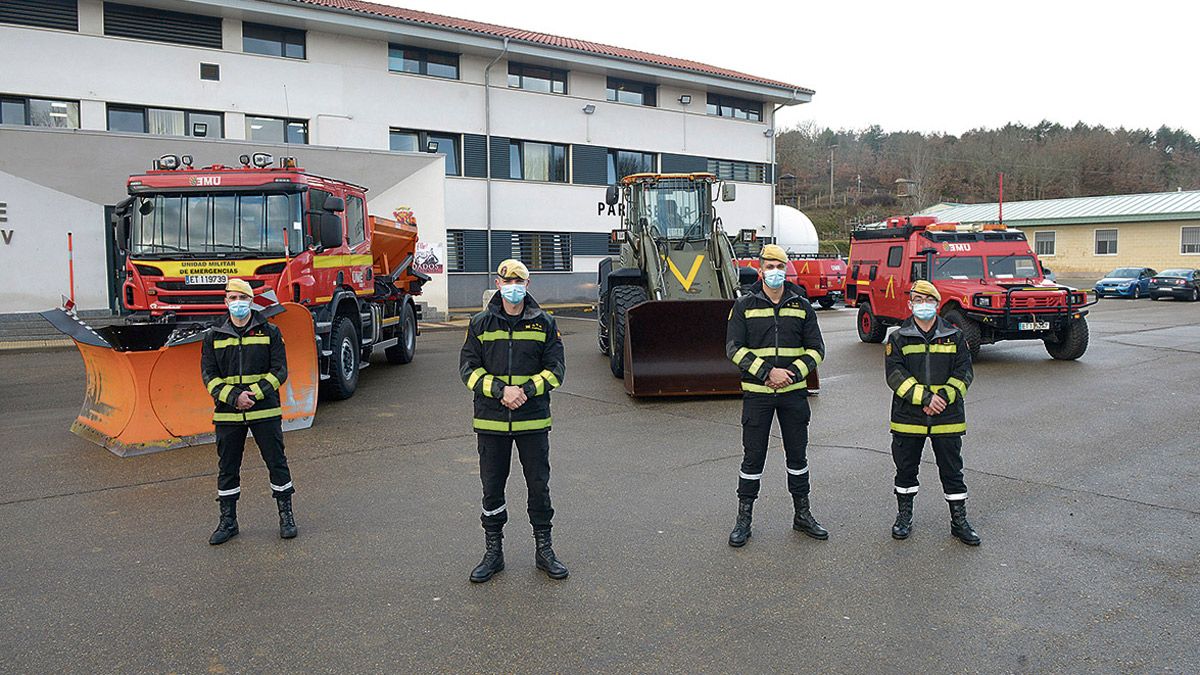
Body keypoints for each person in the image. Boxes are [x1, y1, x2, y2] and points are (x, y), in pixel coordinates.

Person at [460, 259, 568, 582]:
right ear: (498, 283)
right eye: (508, 281)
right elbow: (468, 369)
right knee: (492, 489)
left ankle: (544, 549)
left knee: (539, 487)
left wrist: (524, 390)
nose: (514, 287)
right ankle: (494, 552)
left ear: (528, 285)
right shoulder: (479, 324)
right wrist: (500, 391)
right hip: (492, 423)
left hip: (532, 422)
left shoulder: (545, 323)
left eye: (519, 281)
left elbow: (556, 370)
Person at [725, 244, 828, 547]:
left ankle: (802, 515)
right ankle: (744, 520)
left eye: (779, 266)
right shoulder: (744, 305)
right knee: (752, 458)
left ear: (786, 269)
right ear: (760, 269)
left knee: (798, 456)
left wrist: (792, 374)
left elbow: (816, 349)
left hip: (793, 395)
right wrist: (768, 372)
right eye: (769, 266)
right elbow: (733, 348)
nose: (775, 272)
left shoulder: (801, 305)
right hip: (758, 395)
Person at [885, 280, 981, 546]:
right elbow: (895, 376)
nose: (922, 305)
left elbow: (964, 373)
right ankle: (904, 517)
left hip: (946, 418)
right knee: (905, 472)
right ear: (910, 303)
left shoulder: (955, 335)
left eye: (927, 300)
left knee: (953, 473)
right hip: (909, 419)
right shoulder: (897, 337)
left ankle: (959, 521)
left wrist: (943, 398)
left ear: (937, 305)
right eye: (917, 299)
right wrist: (926, 398)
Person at [200, 278, 295, 545]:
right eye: (233, 298)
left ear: (251, 302)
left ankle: (286, 515)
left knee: (277, 463)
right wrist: (234, 397)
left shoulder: (270, 332)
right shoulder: (213, 336)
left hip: (264, 411)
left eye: (242, 299)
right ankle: (228, 521)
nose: (237, 303)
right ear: (225, 302)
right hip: (228, 415)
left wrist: (253, 394)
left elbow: (280, 372)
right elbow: (209, 376)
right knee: (227, 468)